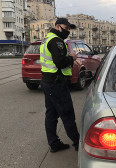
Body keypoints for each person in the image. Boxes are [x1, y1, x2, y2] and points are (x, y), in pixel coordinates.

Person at [40, 18, 80, 152]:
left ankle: (54, 143)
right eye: (66, 28)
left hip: (48, 81)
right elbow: (60, 62)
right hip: (56, 83)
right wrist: (72, 58)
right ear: (58, 26)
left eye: (69, 29)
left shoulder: (47, 38)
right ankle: (78, 143)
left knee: (51, 114)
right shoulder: (57, 41)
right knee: (67, 113)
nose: (67, 31)